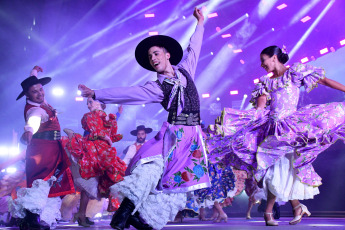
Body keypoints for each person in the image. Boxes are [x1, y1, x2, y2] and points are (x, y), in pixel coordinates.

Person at [79, 7, 209, 230]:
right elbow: (127, 92)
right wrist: (97, 93)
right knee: (151, 169)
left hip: (192, 138)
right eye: (150, 57)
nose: (153, 58)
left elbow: (194, 47)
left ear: (167, 54)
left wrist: (200, 23)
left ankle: (136, 217)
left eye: (156, 53)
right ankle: (123, 214)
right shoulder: (156, 87)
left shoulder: (187, 70)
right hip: (172, 134)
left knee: (170, 184)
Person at [207, 45, 345, 226]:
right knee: (275, 171)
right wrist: (235, 123)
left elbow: (324, 81)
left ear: (273, 57)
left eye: (263, 60)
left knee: (279, 171)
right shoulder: (265, 82)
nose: (262, 64)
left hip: (291, 128)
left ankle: (271, 211)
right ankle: (292, 208)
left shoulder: (294, 72)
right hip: (271, 131)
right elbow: (260, 109)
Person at [12, 66, 75, 230]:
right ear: (28, 95)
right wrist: (29, 131)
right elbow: (32, 121)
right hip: (42, 151)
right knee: (40, 183)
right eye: (35, 92)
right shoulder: (35, 110)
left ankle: (42, 218)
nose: (40, 93)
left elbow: (33, 84)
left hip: (52, 149)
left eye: (40, 89)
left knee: (49, 185)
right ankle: (31, 220)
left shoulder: (40, 102)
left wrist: (34, 73)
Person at [63, 97, 126, 226]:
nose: (88, 105)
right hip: (93, 152)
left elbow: (108, 128)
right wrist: (104, 137)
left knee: (112, 180)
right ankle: (82, 214)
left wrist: (117, 115)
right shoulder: (90, 117)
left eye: (91, 102)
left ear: (100, 103)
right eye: (87, 103)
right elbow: (97, 132)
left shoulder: (104, 117)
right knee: (103, 181)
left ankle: (83, 214)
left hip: (102, 152)